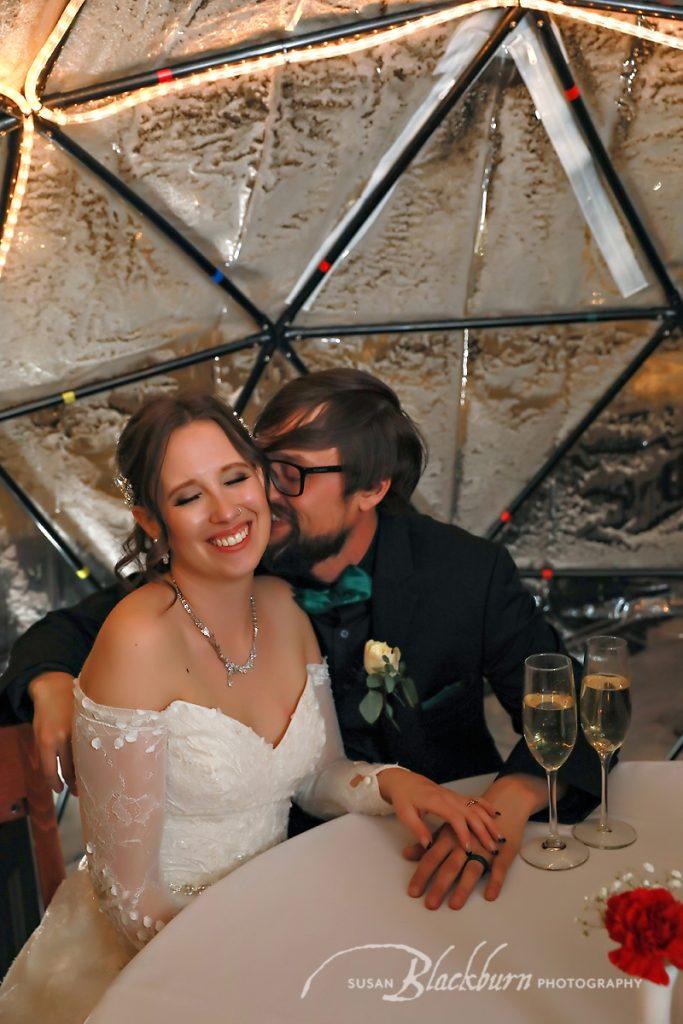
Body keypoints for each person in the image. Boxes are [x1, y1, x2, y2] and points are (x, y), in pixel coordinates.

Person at [1, 369, 601, 918]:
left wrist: (512, 799)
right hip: (287, 884)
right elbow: (80, 630)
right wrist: (50, 680)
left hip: (447, 861)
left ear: (370, 490)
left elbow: (568, 700)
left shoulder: (464, 573)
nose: (262, 493)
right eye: (261, 465)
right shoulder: (237, 560)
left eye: (291, 474)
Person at [0, 392, 502, 1024]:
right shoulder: (137, 639)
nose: (224, 510)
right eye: (188, 497)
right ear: (153, 521)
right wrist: (244, 982)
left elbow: (318, 776)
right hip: (163, 955)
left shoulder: (285, 607)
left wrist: (397, 783)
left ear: (263, 483)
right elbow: (128, 896)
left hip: (280, 912)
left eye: (234, 478)